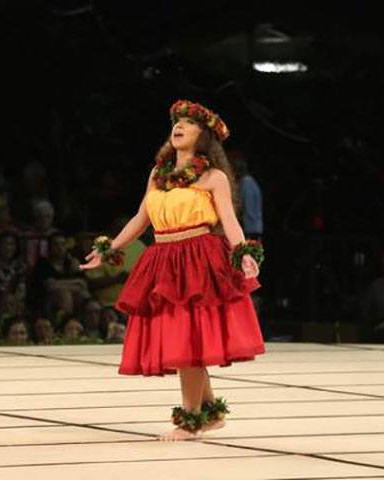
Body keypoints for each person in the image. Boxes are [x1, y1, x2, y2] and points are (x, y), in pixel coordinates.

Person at [81, 99, 265, 441]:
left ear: (203, 135)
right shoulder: (158, 174)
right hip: (164, 259)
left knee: (187, 343)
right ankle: (210, 414)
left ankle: (190, 420)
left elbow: (229, 221)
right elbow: (141, 219)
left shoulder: (214, 177)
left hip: (199, 259)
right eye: (176, 121)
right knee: (185, 342)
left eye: (187, 123)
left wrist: (244, 253)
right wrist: (109, 249)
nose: (178, 126)